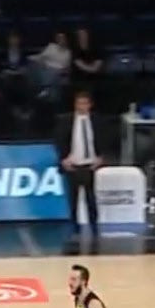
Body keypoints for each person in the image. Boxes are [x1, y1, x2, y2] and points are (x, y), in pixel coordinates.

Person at [54, 91, 108, 238]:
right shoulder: (66, 120)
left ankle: (94, 225)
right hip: (73, 164)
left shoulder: (97, 120)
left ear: (90, 105)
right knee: (73, 198)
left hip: (90, 164)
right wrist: (63, 159)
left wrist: (101, 157)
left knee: (91, 198)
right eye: (79, 103)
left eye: (84, 103)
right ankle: (75, 227)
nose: (81, 106)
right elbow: (59, 140)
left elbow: (104, 139)